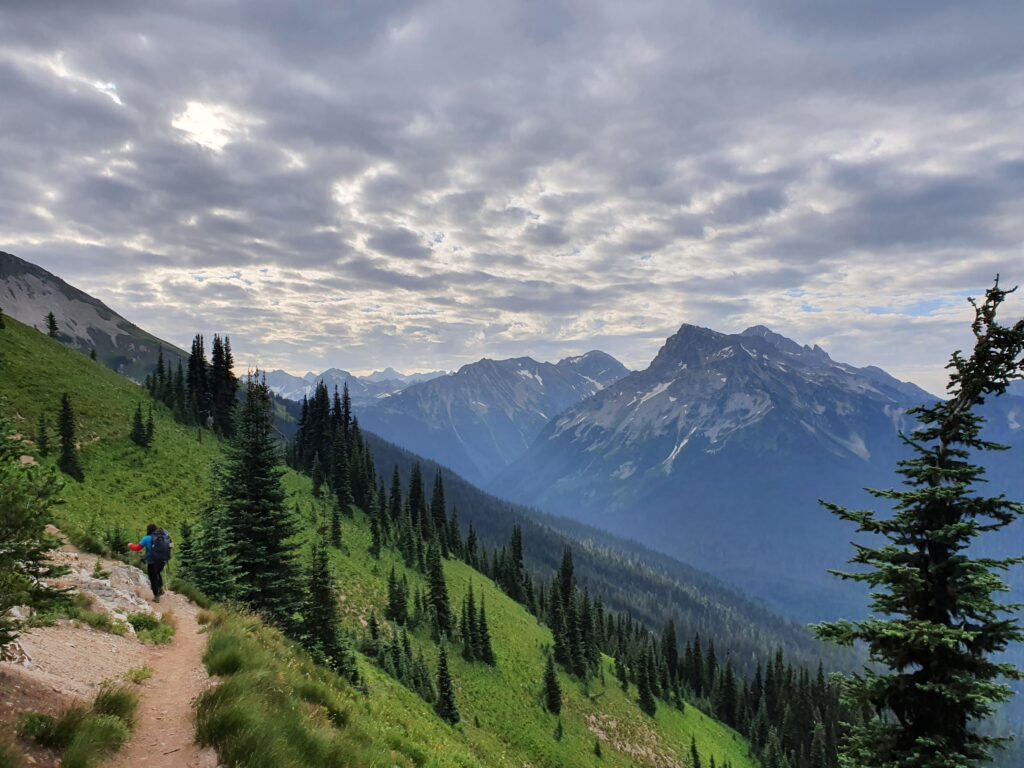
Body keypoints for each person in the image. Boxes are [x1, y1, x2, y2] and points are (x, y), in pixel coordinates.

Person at [128, 523, 172, 602]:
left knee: (153, 577)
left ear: (148, 530)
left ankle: (156, 595)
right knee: (158, 573)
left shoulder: (146, 538)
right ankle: (160, 588)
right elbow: (171, 545)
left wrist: (130, 545)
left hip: (152, 561)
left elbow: (137, 548)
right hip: (162, 560)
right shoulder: (162, 537)